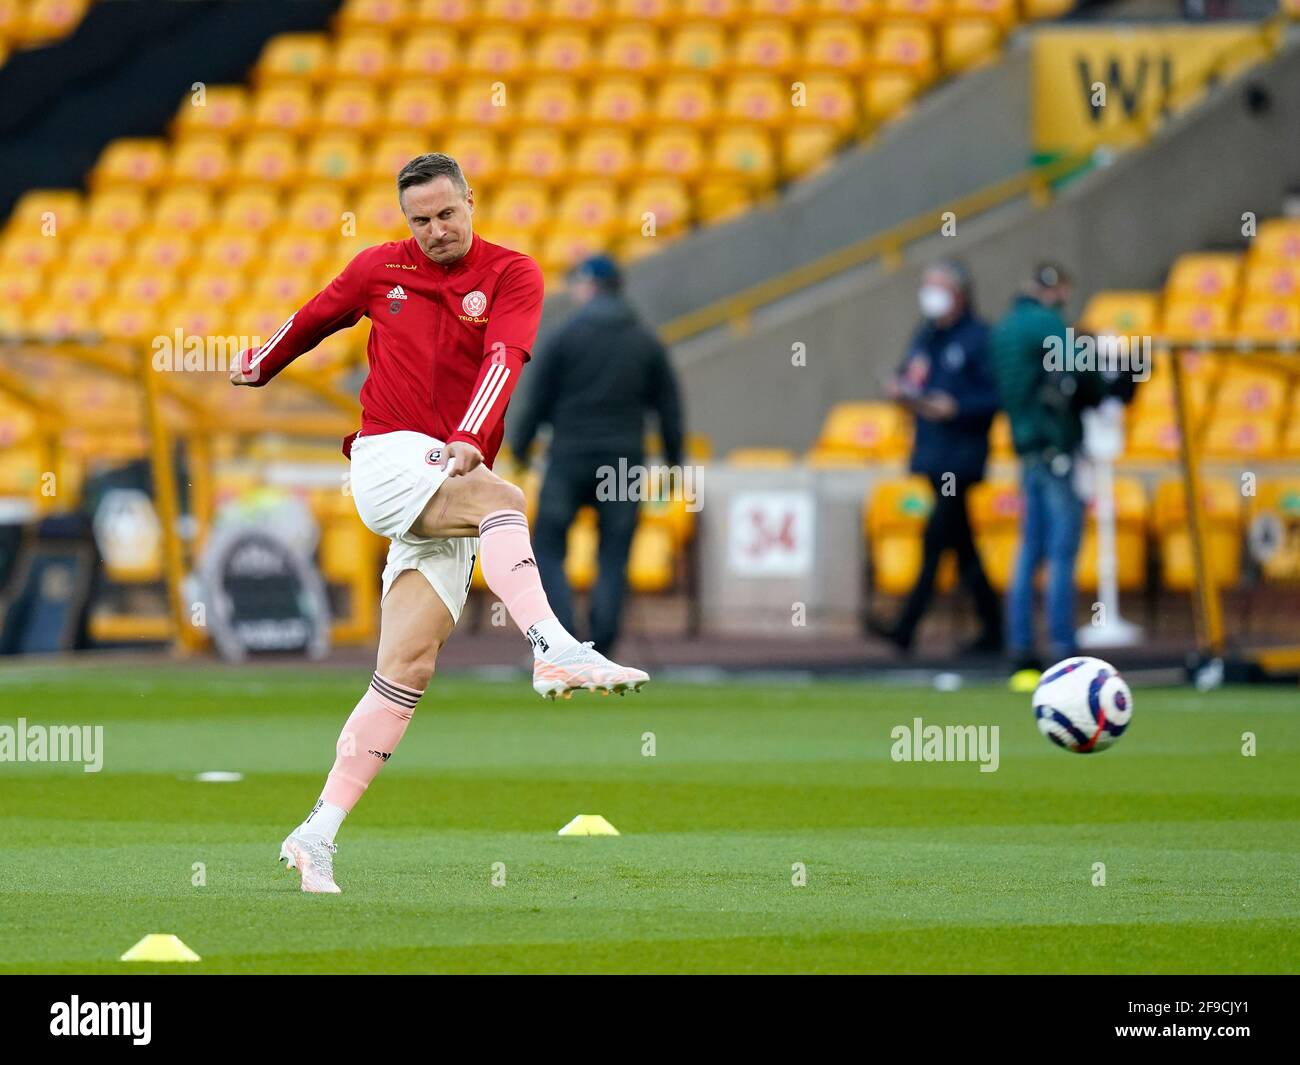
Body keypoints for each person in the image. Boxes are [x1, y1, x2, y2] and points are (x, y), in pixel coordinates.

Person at [229, 154, 649, 893]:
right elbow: (316, 316)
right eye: (419, 219)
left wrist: (470, 433)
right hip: (388, 460)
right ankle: (553, 649)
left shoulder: (513, 273)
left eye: (446, 214)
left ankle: (315, 834)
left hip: (448, 473)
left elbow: (506, 357)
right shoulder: (378, 269)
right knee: (506, 503)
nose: (434, 230)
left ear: (470, 202)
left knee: (405, 672)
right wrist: (260, 363)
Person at [509, 255, 683, 655]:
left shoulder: (565, 336)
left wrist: (520, 449)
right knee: (614, 554)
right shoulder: (645, 340)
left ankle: (564, 637)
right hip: (622, 463)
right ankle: (602, 645)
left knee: (549, 547)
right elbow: (669, 409)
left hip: (569, 457)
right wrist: (675, 463)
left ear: (590, 286)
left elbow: (535, 401)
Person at [868, 260, 1002, 655]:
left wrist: (956, 406)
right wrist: (901, 389)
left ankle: (906, 626)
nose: (930, 294)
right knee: (961, 547)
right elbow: (913, 375)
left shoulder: (979, 338)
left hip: (961, 457)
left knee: (934, 540)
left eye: (938, 287)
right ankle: (994, 628)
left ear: (959, 293)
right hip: (931, 453)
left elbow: (995, 395)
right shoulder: (926, 335)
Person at [990, 262, 1108, 684]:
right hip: (1056, 448)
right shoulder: (1045, 324)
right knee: (1061, 552)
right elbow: (1087, 374)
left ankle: (1020, 644)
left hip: (1027, 450)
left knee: (1028, 552)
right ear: (1057, 289)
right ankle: (1062, 647)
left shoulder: (1004, 328)